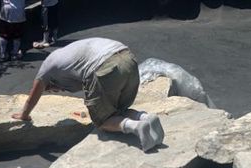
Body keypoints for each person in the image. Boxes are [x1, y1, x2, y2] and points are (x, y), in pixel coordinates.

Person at [13, 38, 165, 152]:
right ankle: (146, 118)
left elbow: (34, 94)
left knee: (103, 120)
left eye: (55, 89)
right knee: (118, 110)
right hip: (127, 58)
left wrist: (24, 115)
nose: (59, 91)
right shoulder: (67, 59)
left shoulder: (46, 68)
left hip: (105, 66)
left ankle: (137, 127)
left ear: (50, 82)